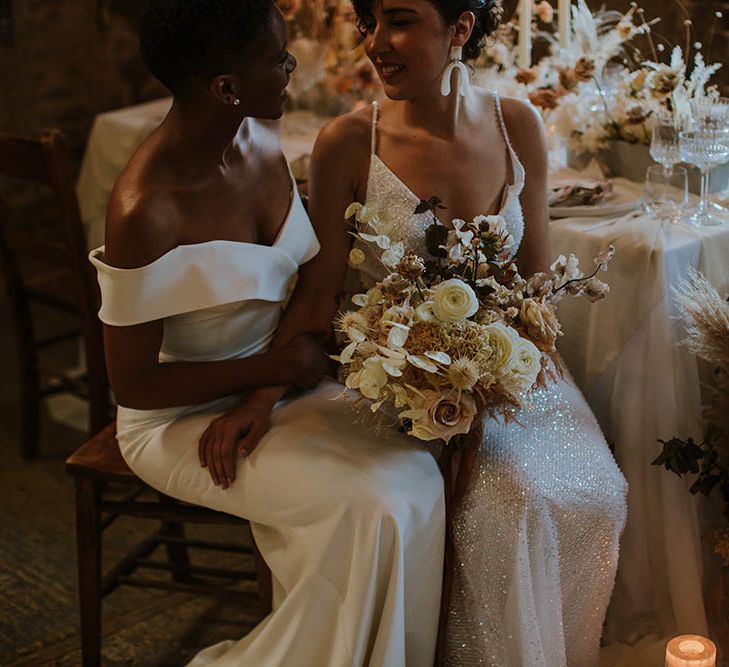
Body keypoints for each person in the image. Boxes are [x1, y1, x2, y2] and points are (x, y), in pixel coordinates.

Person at [90, 1, 444, 665]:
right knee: (372, 505)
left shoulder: (257, 140)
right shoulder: (148, 208)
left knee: (415, 469)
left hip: (276, 380)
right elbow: (133, 382)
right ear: (225, 86)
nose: (291, 69)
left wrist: (282, 372)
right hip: (177, 416)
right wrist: (273, 370)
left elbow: (309, 276)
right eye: (278, 59)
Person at [305, 0, 628, 665]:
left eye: (397, 19)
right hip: (388, 378)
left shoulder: (517, 125)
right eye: (369, 22)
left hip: (511, 366)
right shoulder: (346, 141)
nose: (374, 43)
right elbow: (317, 299)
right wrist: (261, 391)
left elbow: (534, 286)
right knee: (509, 502)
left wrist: (497, 376)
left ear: (459, 28)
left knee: (595, 491)